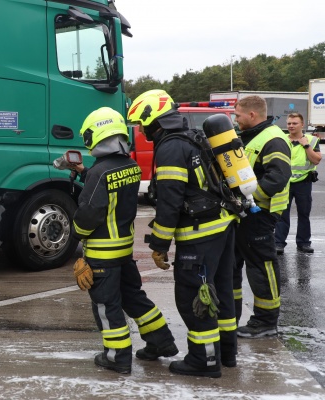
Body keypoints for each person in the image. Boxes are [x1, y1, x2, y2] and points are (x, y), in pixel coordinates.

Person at [127, 89, 238, 378]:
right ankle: (226, 353)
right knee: (221, 293)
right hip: (222, 227)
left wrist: (160, 244)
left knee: (195, 297)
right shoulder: (193, 137)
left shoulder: (170, 148)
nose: (142, 130)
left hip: (199, 235)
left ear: (155, 120)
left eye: (143, 123)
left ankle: (204, 361)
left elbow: (170, 202)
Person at [71, 106, 178, 375]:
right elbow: (110, 185)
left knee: (107, 308)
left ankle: (117, 357)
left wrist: (75, 234)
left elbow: (90, 212)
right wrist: (85, 171)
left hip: (101, 257)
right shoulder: (130, 166)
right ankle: (161, 343)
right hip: (123, 252)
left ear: (96, 135)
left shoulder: (99, 173)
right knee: (135, 298)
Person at [232, 95, 291, 339]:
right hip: (245, 213)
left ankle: (266, 321)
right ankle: (230, 315)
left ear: (252, 115)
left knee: (261, 266)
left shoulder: (273, 139)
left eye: (238, 115)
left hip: (261, 213)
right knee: (233, 264)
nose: (236, 119)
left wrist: (250, 200)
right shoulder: (252, 136)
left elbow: (278, 176)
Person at [274, 112, 321, 254]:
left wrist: (306, 146)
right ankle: (279, 243)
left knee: (304, 214)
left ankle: (304, 243)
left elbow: (316, 160)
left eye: (294, 123)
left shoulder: (312, 140)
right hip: (284, 183)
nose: (291, 126)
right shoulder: (281, 139)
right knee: (282, 214)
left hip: (303, 183)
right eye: (289, 123)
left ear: (302, 124)